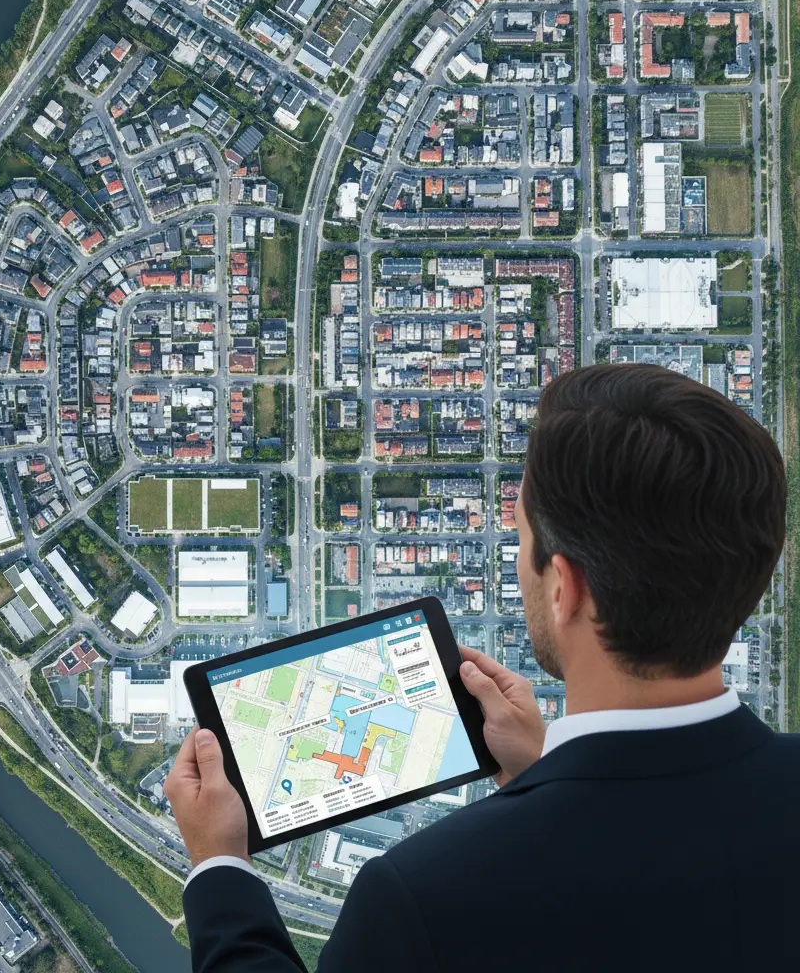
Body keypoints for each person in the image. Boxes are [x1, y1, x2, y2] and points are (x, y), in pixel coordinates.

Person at [166, 364, 798, 971]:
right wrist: (544, 774)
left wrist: (220, 865)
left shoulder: (423, 898)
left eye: (522, 539)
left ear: (565, 588)